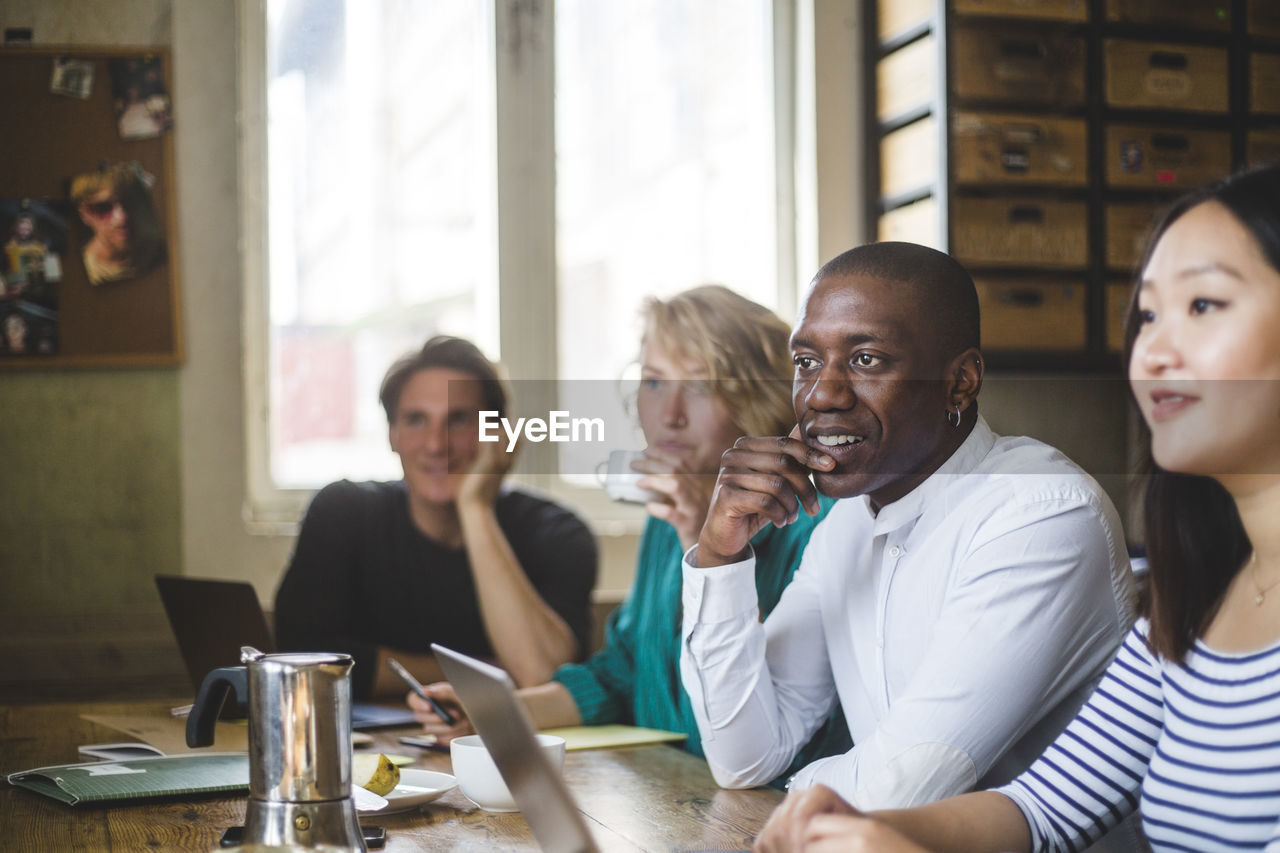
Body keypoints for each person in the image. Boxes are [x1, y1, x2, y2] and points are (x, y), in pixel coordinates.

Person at [752, 163, 1280, 852]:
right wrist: (858, 826)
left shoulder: (1043, 508)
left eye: (1203, 305)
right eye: (1148, 314)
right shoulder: (1196, 600)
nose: (1153, 350)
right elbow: (1043, 808)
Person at [679, 243, 1136, 813]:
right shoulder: (845, 525)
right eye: (806, 361)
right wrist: (719, 556)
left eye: (866, 359)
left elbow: (898, 788)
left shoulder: (1040, 514)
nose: (821, 394)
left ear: (960, 383)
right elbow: (744, 756)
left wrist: (813, 787)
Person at [407, 286, 850, 778]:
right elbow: (622, 673)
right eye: (654, 382)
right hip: (675, 795)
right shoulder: (666, 513)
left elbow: (767, 712)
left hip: (769, 809)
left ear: (759, 398)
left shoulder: (817, 517)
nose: (670, 414)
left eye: (701, 386)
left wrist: (702, 546)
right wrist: (495, 714)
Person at [274, 335, 598, 700]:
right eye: (416, 420)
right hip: (362, 747)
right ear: (392, 435)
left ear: (498, 434)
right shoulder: (343, 513)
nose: (435, 444)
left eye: (458, 420)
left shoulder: (557, 533)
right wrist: (488, 671)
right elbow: (301, 658)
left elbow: (542, 677)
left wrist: (476, 508)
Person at [70, 162, 165, 286]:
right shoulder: (82, 276)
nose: (121, 218)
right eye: (104, 208)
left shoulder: (155, 253)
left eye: (128, 203)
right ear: (85, 214)